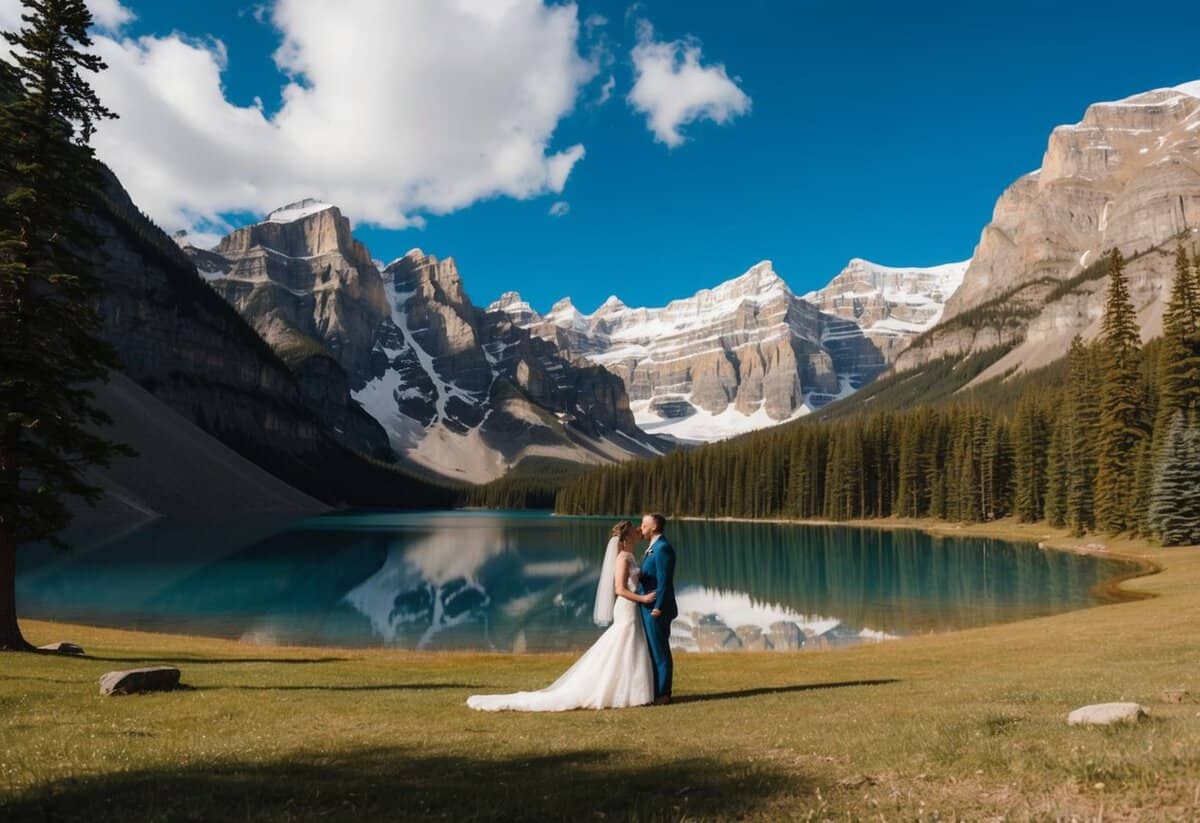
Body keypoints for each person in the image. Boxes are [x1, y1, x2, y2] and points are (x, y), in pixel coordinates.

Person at [465, 521, 656, 711]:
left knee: (627, 644)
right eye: (634, 529)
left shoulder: (629, 555)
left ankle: (629, 690)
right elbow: (619, 589)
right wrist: (643, 598)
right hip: (627, 606)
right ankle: (621, 690)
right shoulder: (622, 558)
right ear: (626, 536)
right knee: (624, 642)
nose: (638, 530)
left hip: (632, 607)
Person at [638, 512, 677, 705]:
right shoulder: (653, 548)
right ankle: (654, 691)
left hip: (656, 608)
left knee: (660, 651)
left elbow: (665, 581)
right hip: (647, 606)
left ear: (654, 527)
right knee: (653, 650)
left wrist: (659, 607)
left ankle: (663, 694)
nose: (641, 528)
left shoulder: (662, 548)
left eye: (644, 525)